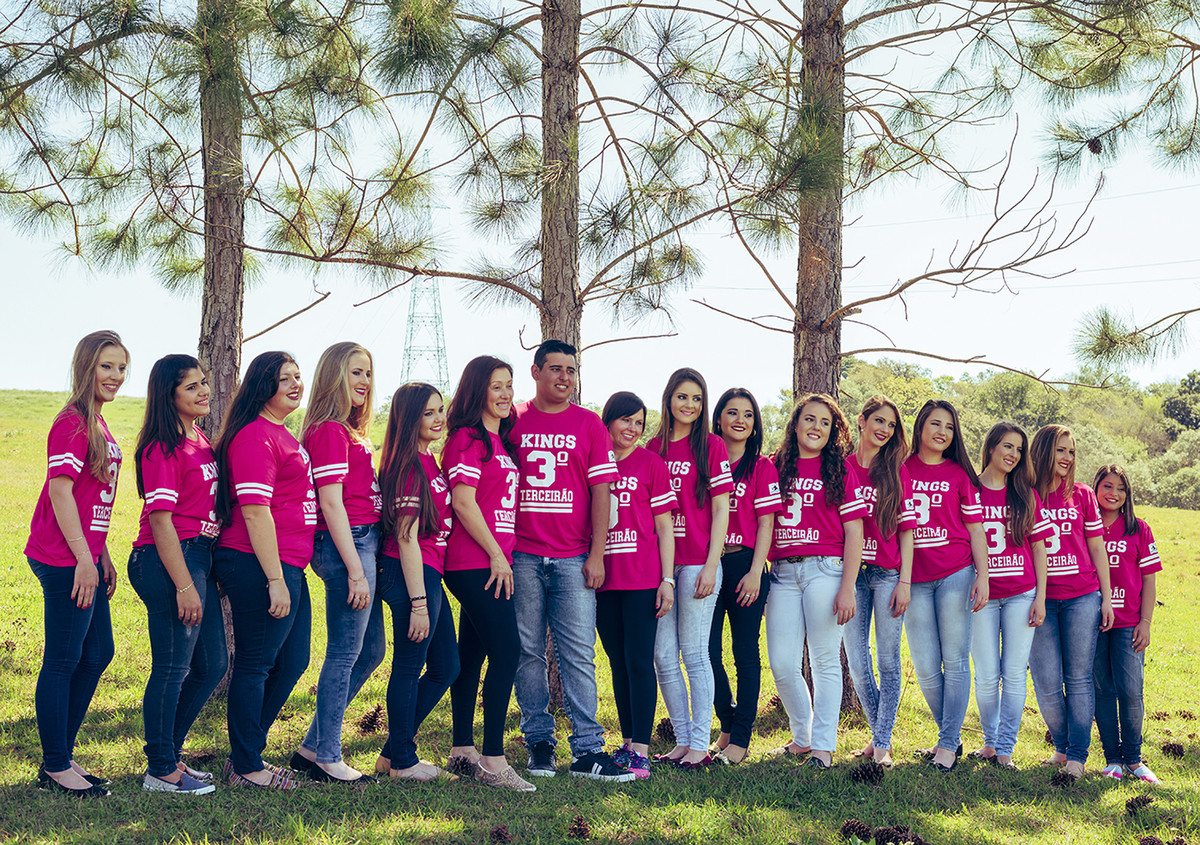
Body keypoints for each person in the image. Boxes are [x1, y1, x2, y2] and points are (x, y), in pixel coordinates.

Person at [507, 340, 630, 781]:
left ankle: (588, 750)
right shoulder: (513, 419)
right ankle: (539, 742)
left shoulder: (589, 424)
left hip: (574, 557)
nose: (564, 377)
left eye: (571, 370)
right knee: (527, 651)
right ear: (536, 371)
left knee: (578, 652)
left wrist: (597, 554)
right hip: (522, 554)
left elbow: (602, 492)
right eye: (556, 368)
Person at [26, 330, 127, 797]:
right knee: (64, 659)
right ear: (86, 366)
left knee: (98, 652)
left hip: (85, 555)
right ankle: (55, 766)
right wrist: (84, 558)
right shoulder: (72, 422)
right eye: (107, 366)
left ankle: (61, 753)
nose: (116, 376)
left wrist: (101, 553)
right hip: (62, 557)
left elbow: (90, 494)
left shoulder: (97, 422)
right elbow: (61, 491)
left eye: (121, 367)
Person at [212, 351, 314, 790]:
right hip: (257, 563)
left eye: (297, 376)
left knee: (293, 660)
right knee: (255, 665)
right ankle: (246, 765)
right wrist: (274, 579)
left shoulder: (281, 433)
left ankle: (248, 751)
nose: (295, 384)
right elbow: (255, 511)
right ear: (262, 386)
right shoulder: (256, 437)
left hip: (288, 562)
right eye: (283, 378)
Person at [128, 355, 227, 795]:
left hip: (198, 557)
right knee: (172, 666)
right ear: (169, 396)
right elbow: (160, 521)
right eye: (192, 386)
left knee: (212, 664)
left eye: (203, 382)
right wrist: (185, 585)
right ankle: (161, 770)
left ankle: (169, 753)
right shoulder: (162, 447)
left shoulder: (199, 438)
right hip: (167, 559)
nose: (204, 391)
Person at [441, 356, 534, 792]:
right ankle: (494, 761)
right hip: (475, 561)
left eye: (509, 385)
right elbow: (463, 502)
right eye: (496, 386)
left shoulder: (502, 440)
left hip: (491, 560)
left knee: (472, 653)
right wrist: (497, 554)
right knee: (508, 651)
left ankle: (463, 748)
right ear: (477, 389)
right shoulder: (467, 438)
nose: (505, 394)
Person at [291, 342, 381, 784]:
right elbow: (330, 502)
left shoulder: (348, 429)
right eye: (354, 372)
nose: (363, 381)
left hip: (365, 542)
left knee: (372, 650)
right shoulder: (328, 431)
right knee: (345, 653)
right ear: (334, 376)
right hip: (349, 545)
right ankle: (328, 755)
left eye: (367, 373)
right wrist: (356, 570)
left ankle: (312, 746)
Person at [765, 393, 865, 771]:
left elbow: (854, 532)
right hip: (783, 573)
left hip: (826, 569)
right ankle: (802, 735)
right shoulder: (775, 465)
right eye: (810, 419)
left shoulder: (839, 469)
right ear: (796, 424)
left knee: (824, 662)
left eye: (825, 422)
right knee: (782, 662)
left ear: (833, 430)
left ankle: (823, 747)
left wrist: (847, 587)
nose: (816, 427)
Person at [374, 383, 460, 781]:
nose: (438, 418)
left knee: (446, 666)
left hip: (428, 571)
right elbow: (406, 537)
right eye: (428, 413)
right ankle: (404, 763)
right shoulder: (409, 465)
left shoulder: (430, 460)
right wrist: (419, 603)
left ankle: (392, 754)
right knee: (409, 666)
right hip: (411, 572)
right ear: (410, 418)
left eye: (440, 409)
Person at [649, 368, 733, 769]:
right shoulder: (653, 448)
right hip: (662, 566)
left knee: (696, 654)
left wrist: (712, 565)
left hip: (699, 561)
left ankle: (700, 744)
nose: (690, 405)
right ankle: (682, 740)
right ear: (669, 399)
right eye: (682, 396)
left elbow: (722, 509)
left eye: (697, 398)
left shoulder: (712, 446)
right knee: (664, 655)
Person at [903, 399, 988, 773]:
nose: (942, 432)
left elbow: (975, 529)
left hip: (955, 572)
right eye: (935, 424)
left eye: (949, 427)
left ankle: (949, 743)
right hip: (913, 578)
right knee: (924, 665)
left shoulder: (959, 474)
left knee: (954, 660)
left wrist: (983, 575)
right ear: (920, 427)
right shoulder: (901, 467)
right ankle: (948, 735)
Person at [596, 392, 677, 779]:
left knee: (639, 661)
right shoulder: (593, 460)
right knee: (617, 661)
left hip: (642, 578)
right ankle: (627, 742)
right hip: (602, 580)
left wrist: (667, 579)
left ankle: (642, 750)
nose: (632, 428)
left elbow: (664, 526)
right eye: (626, 420)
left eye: (639, 423)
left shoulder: (650, 463)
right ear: (609, 421)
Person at [1028, 424, 1114, 781]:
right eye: (1060, 450)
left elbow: (1096, 547)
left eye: (1071, 452)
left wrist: (1106, 598)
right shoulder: (1026, 493)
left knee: (1078, 678)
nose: (1066, 457)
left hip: (1081, 596)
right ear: (1043, 451)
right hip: (1038, 600)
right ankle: (1061, 747)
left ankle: (1077, 755)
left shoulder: (1082, 495)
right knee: (1046, 682)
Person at [969, 422, 1050, 769]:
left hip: (1021, 593)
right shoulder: (969, 488)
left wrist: (1040, 597)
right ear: (991, 447)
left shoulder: (1025, 494)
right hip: (982, 596)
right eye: (1007, 446)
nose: (1013, 454)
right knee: (987, 674)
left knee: (1014, 673)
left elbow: (1039, 548)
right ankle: (990, 742)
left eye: (1019, 449)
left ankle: (1005, 749)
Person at [708, 388, 781, 765]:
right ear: (718, 418)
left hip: (744, 565)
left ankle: (740, 739)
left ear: (755, 424)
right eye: (733, 412)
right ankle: (726, 721)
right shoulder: (705, 459)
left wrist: (756, 570)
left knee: (745, 654)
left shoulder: (761, 466)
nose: (740, 420)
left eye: (748, 414)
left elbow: (767, 522)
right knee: (705, 651)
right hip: (707, 564)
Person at [842, 395, 916, 768]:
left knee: (888, 660)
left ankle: (882, 744)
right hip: (851, 576)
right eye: (879, 421)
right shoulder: (842, 467)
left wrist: (905, 582)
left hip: (888, 573)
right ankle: (879, 737)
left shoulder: (896, 471)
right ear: (862, 420)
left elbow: (907, 532)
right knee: (857, 662)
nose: (885, 429)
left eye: (891, 424)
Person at [1093, 464, 1161, 783]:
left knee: (1131, 690)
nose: (1114, 493)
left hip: (1128, 622)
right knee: (1102, 688)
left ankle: (1133, 758)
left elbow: (1149, 579)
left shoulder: (1138, 529)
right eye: (1107, 486)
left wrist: (1145, 621)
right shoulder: (1085, 525)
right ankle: (1113, 759)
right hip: (1091, 622)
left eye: (1121, 488)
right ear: (1095, 488)